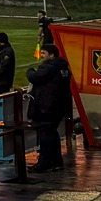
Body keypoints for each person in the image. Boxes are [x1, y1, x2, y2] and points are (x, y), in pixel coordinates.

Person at [27, 43, 74, 171]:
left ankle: (45, 162)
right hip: (58, 106)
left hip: (47, 107)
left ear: (52, 55)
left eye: (43, 53)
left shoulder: (49, 68)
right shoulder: (63, 68)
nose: (41, 56)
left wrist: (30, 71)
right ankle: (56, 162)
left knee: (46, 134)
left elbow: (35, 77)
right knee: (52, 133)